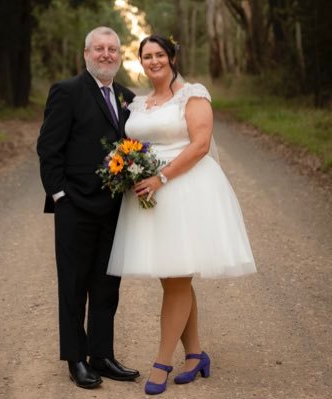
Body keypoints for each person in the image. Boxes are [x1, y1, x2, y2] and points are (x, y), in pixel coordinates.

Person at [107, 34, 257, 395]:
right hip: (150, 197)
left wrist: (161, 176)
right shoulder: (139, 103)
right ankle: (195, 353)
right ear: (140, 62)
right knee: (173, 277)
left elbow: (201, 144)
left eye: (160, 54)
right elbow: (133, 143)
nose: (154, 61)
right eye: (147, 56)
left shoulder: (193, 94)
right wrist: (128, 168)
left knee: (176, 279)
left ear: (172, 58)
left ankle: (162, 362)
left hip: (185, 190)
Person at [36, 26, 138, 389]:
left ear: (119, 55)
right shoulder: (67, 92)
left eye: (113, 49)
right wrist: (60, 195)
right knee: (74, 286)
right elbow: (48, 149)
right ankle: (76, 359)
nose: (106, 54)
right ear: (86, 54)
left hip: (114, 209)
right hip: (75, 206)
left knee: (107, 284)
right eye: (99, 49)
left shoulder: (127, 97)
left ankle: (102, 355)